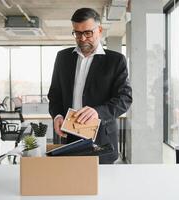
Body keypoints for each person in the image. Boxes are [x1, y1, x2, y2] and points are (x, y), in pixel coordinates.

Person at [47, 7, 132, 164]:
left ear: (99, 30)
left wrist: (97, 112)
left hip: (102, 140)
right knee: (72, 184)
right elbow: (55, 94)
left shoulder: (116, 61)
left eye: (88, 33)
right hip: (70, 136)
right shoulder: (62, 57)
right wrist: (57, 115)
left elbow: (124, 99)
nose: (82, 38)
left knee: (104, 186)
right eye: (77, 33)